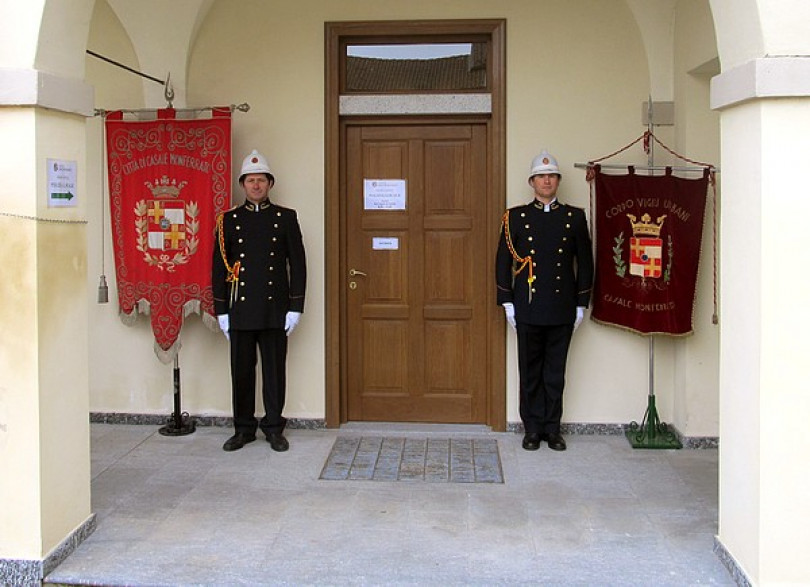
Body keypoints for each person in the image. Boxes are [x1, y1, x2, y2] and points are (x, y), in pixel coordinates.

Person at [495, 150, 593, 451]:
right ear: (532, 182)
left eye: (551, 176)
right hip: (528, 304)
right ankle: (532, 429)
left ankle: (553, 428)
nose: (546, 180)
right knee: (530, 371)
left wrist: (580, 303)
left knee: (555, 372)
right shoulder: (515, 217)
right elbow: (502, 262)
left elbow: (585, 263)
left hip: (562, 305)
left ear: (558, 181)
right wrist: (507, 301)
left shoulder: (574, 217)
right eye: (541, 176)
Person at [212, 149, 306, 452]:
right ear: (243, 184)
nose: (256, 186)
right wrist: (221, 310)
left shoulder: (285, 218)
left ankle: (274, 427)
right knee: (241, 371)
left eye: (261, 180)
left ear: (269, 183)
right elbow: (218, 266)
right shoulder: (228, 221)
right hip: (240, 307)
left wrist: (295, 306)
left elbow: (299, 264)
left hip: (274, 306)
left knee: (274, 371)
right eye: (251, 180)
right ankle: (243, 428)